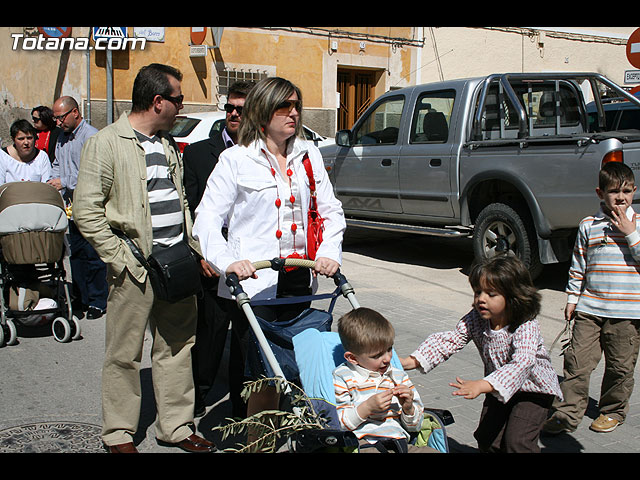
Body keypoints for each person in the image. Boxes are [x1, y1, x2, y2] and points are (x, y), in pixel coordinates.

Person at [73, 63, 215, 454]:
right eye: (178, 99)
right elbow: (86, 211)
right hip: (135, 270)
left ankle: (176, 427)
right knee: (124, 354)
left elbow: (181, 202)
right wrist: (122, 258)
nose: (182, 106)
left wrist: (193, 248)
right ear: (158, 101)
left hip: (177, 266)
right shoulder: (107, 143)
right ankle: (118, 433)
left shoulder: (167, 143)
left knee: (177, 347)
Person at [192, 76, 346, 419]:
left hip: (301, 280)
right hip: (256, 283)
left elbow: (332, 211)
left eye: (296, 106)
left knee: (303, 361)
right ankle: (255, 434)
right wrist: (229, 262)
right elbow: (206, 221)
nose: (293, 113)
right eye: (284, 106)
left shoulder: (310, 155)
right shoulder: (236, 159)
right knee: (259, 371)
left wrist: (329, 254)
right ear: (263, 112)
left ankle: (302, 429)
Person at [400, 254, 562, 453]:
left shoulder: (525, 325)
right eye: (478, 292)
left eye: (491, 294)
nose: (481, 300)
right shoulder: (477, 318)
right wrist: (410, 361)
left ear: (513, 296)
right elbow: (451, 339)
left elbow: (523, 363)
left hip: (533, 391)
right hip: (496, 387)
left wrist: (482, 384)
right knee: (487, 436)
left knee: (517, 442)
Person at [543, 162, 640, 436]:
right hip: (590, 307)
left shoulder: (639, 225)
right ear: (600, 193)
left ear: (635, 191)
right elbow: (578, 265)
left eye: (626, 191)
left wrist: (630, 233)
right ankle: (568, 412)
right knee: (576, 361)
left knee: (620, 366)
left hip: (628, 313)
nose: (620, 197)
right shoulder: (589, 225)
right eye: (613, 191)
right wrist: (572, 298)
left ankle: (612, 410)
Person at [183, 80, 255, 419]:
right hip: (211, 266)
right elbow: (190, 211)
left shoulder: (263, 156)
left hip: (249, 266)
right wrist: (201, 255)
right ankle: (198, 395)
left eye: (241, 109)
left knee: (245, 339)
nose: (234, 114)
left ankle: (242, 405)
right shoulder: (198, 153)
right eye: (229, 108)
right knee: (209, 336)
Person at [333, 307, 429, 453]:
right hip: (364, 444)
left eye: (389, 349)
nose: (387, 359)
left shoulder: (398, 376)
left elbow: (415, 427)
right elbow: (338, 424)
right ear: (353, 358)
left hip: (400, 442)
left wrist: (408, 408)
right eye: (377, 356)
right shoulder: (343, 377)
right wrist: (367, 408)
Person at [48, 96, 108, 320]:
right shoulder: (62, 138)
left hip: (90, 206)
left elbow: (92, 171)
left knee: (93, 256)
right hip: (71, 207)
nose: (58, 122)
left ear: (75, 112)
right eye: (55, 118)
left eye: (61, 117)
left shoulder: (90, 136)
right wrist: (53, 181)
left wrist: (64, 181)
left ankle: (97, 301)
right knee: (76, 255)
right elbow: (56, 163)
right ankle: (81, 296)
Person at [0, 119, 52, 184]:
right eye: (21, 139)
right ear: (13, 139)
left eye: (29, 138)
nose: (26, 142)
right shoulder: (3, 156)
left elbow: (47, 185)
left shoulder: (41, 156)